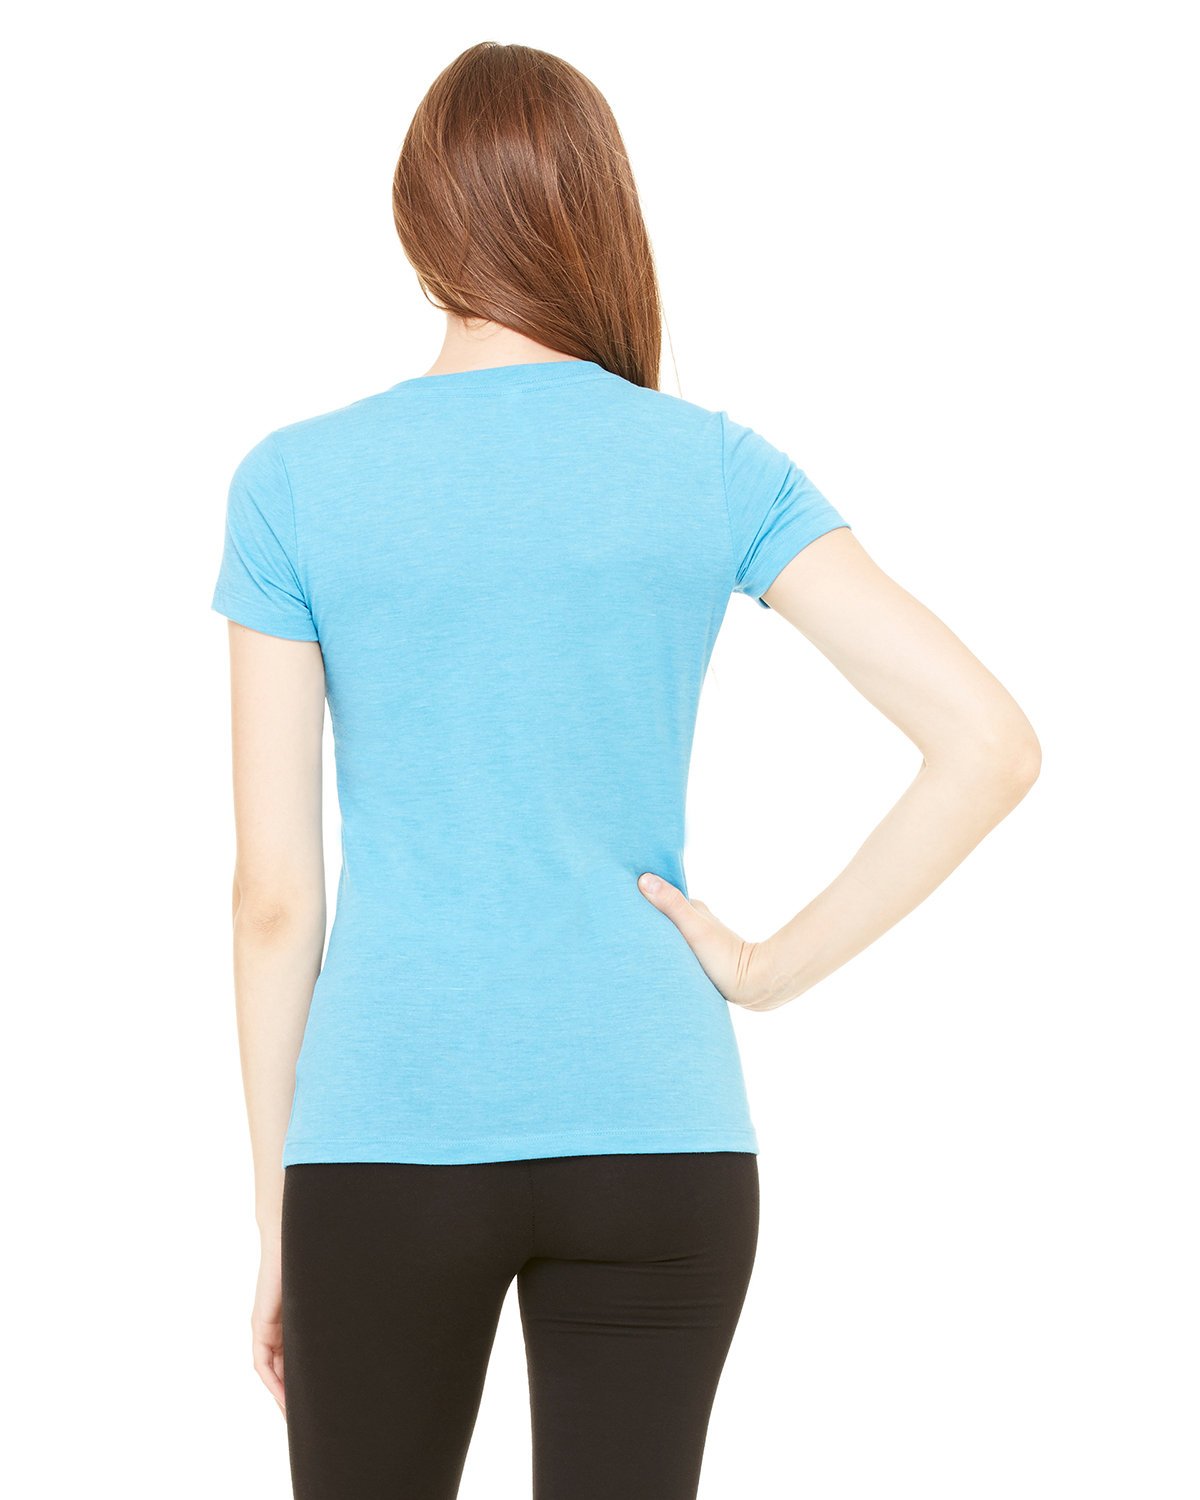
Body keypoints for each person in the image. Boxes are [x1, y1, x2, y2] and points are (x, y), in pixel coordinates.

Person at [211, 40, 1041, 1500]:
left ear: (416, 220)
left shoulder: (295, 483)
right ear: (597, 210)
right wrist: (764, 971)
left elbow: (275, 899)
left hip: (386, 1131)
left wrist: (282, 1216)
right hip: (661, 1129)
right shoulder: (709, 463)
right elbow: (988, 742)